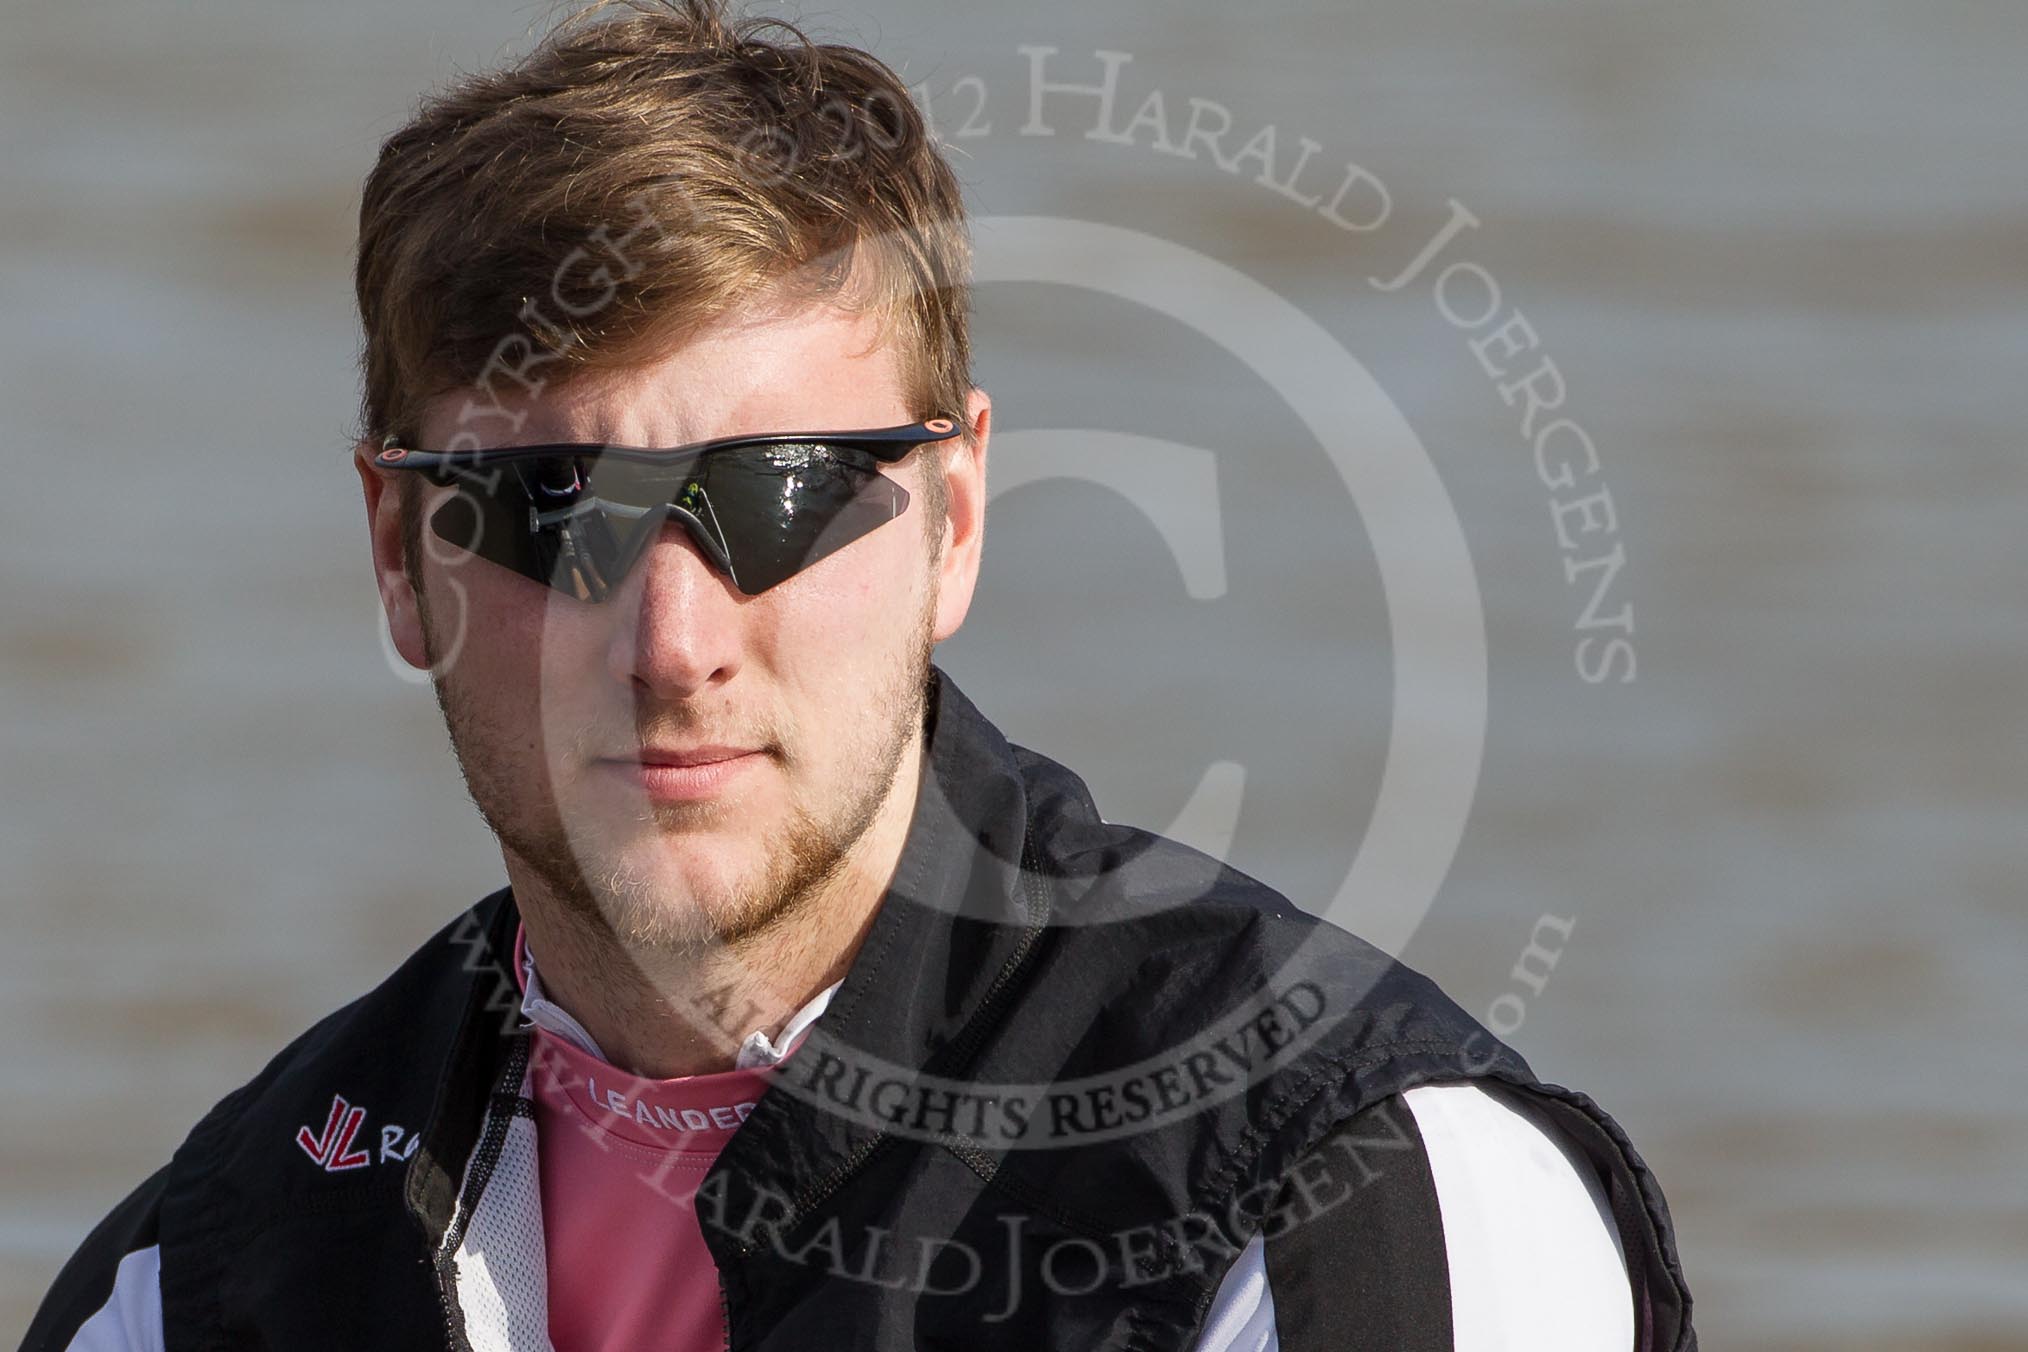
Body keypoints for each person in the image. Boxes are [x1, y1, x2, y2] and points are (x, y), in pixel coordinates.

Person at [22, 1, 1696, 1348]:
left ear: (952, 520)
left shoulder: (1367, 1197)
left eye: (781, 493)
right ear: (400, 552)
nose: (673, 643)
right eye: (551, 508)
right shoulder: (197, 1282)